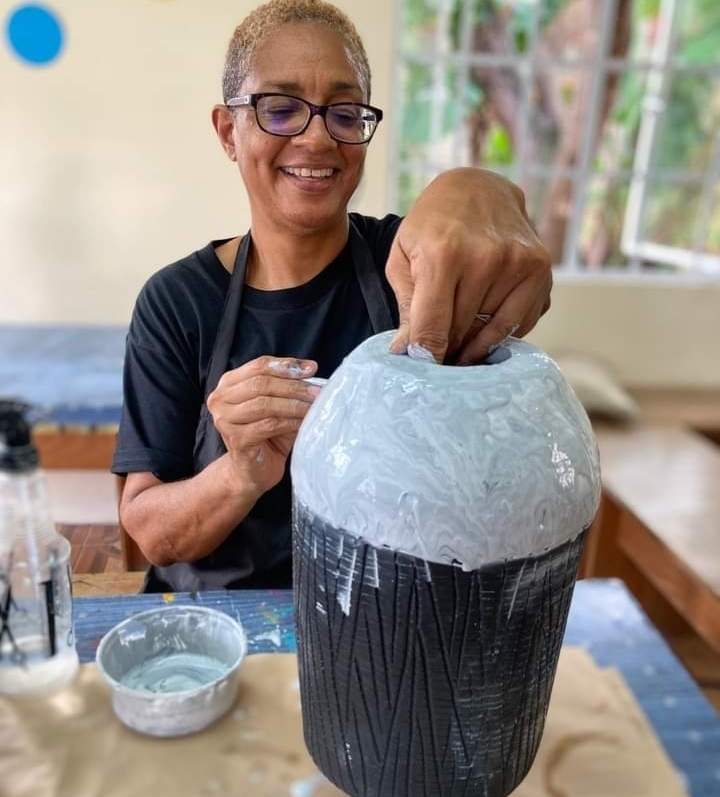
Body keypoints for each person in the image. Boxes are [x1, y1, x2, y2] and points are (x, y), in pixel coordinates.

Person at [112, 0, 553, 593]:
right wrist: (241, 472)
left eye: (345, 114)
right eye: (280, 109)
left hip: (388, 608)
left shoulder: (411, 268)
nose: (318, 138)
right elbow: (152, 533)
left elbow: (478, 247)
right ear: (228, 132)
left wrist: (476, 187)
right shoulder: (177, 300)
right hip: (223, 620)